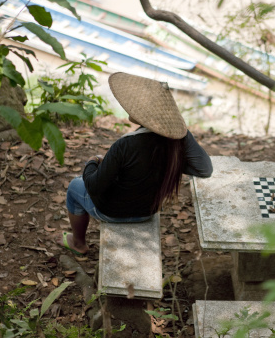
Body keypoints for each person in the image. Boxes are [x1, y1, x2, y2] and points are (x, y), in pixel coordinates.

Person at [57, 72, 213, 255]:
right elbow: (205, 169)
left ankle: (78, 243)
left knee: (76, 186)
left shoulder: (126, 145)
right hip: (148, 211)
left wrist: (92, 162)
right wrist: (182, 133)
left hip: (113, 213)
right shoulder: (175, 144)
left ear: (144, 114)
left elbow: (94, 187)